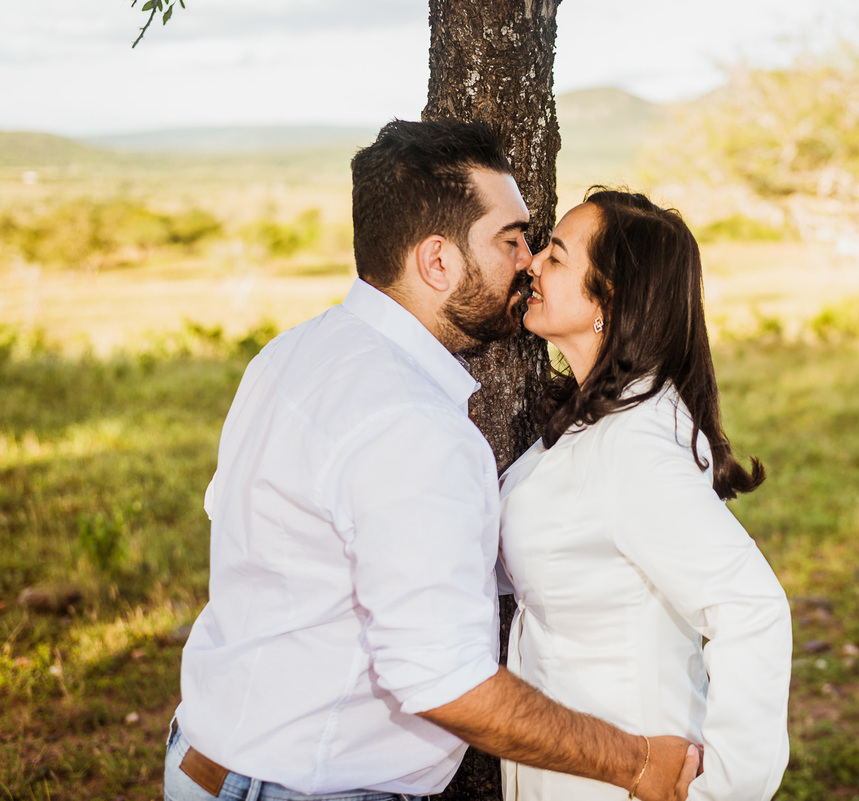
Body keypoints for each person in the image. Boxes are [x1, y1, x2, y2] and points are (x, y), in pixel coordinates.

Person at [164, 122, 698, 801]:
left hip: (209, 760)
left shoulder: (290, 356)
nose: (530, 260)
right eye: (511, 239)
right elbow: (442, 679)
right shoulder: (412, 423)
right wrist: (634, 761)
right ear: (437, 262)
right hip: (304, 786)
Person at [498, 189, 793, 801]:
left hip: (626, 774)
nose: (531, 265)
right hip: (571, 766)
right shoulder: (600, 418)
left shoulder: (634, 444)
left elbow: (751, 606)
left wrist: (728, 791)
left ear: (610, 297)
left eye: (555, 256)